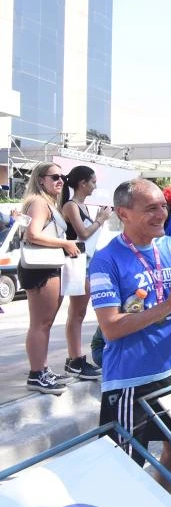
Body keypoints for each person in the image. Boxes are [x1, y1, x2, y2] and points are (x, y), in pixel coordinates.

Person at [89, 179, 171, 491]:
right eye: (150, 208)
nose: (161, 214)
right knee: (123, 467)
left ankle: (160, 504)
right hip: (129, 381)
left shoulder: (169, 247)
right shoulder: (106, 259)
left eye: (163, 207)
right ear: (123, 213)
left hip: (169, 370)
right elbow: (111, 327)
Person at [19, 163, 83, 394]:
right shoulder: (38, 202)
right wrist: (66, 243)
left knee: (44, 323)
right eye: (54, 176)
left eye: (62, 176)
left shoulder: (47, 203)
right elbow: (32, 234)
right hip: (41, 268)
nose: (60, 180)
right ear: (40, 180)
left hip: (48, 265)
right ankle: (37, 374)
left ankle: (42, 370)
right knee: (40, 323)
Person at [61, 165, 111, 382]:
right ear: (82, 183)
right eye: (92, 182)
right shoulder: (71, 205)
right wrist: (100, 220)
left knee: (79, 313)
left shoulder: (80, 206)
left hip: (86, 263)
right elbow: (82, 234)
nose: (94, 186)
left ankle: (76, 358)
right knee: (77, 313)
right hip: (77, 263)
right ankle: (75, 359)